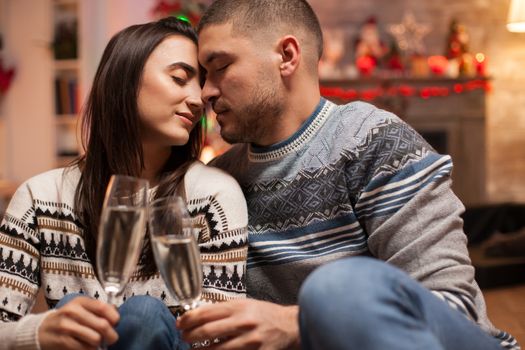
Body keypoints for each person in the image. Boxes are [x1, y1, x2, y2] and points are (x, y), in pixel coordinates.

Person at [176, 1, 520, 349]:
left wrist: (298, 323)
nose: (206, 92)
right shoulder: (220, 181)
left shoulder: (374, 143)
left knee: (336, 287)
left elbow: (458, 311)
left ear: (287, 55)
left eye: (220, 67)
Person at [0, 17, 248, 350]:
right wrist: (41, 332)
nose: (197, 98)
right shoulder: (39, 197)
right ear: (124, 81)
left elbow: (222, 338)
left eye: (200, 84)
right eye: (179, 78)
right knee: (75, 307)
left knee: (142, 314)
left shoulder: (213, 197)